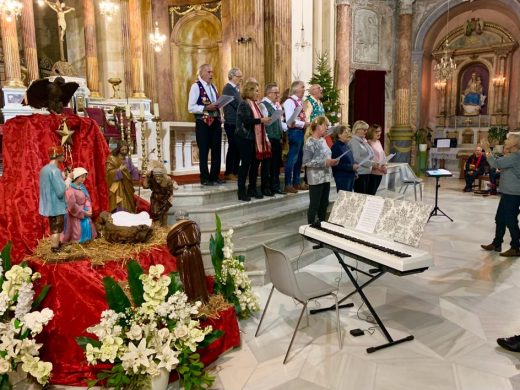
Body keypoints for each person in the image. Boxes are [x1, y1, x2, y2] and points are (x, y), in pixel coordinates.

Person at [480, 133, 520, 257]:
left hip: (513, 194)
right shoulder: (513, 156)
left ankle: (516, 247)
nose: (505, 140)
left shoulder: (515, 156)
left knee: (511, 221)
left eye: (508, 139)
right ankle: (497, 243)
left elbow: (495, 163)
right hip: (508, 193)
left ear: (516, 143)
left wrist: (487, 149)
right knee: (500, 219)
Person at [235, 80, 271, 201]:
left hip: (254, 139)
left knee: (255, 164)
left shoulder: (256, 104)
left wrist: (263, 120)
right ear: (249, 91)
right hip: (244, 138)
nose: (258, 93)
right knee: (245, 164)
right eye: (256, 91)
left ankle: (252, 188)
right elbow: (246, 121)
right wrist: (261, 120)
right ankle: (241, 191)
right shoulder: (244, 104)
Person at [188, 63, 223, 186]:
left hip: (216, 123)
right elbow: (191, 107)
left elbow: (217, 104)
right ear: (201, 73)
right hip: (203, 123)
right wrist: (206, 107)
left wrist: (221, 115)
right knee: (203, 151)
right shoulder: (196, 87)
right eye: (209, 72)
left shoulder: (214, 87)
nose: (211, 74)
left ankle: (215, 176)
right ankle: (204, 177)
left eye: (212, 72)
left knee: (216, 150)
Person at [302, 116, 338, 224]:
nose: (328, 127)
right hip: (315, 177)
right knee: (314, 205)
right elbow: (306, 162)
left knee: (324, 203)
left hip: (326, 176)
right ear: (318, 126)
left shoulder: (322, 140)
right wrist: (325, 162)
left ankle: (322, 225)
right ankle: (310, 227)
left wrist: (332, 161)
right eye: (326, 125)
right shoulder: (310, 142)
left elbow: (326, 156)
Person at [39, 145, 73, 252]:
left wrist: (62, 175)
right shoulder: (55, 171)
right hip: (56, 205)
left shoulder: (45, 169)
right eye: (62, 155)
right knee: (57, 228)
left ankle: (56, 244)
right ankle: (55, 248)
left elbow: (52, 181)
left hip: (48, 204)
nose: (64, 157)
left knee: (53, 226)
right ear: (58, 156)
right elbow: (60, 191)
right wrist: (69, 179)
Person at [259, 82, 287, 195]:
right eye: (275, 92)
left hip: (277, 137)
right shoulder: (263, 104)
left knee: (276, 164)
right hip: (269, 137)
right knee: (267, 164)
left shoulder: (276, 105)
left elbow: (279, 122)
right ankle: (266, 187)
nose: (278, 95)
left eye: (278, 92)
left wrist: (286, 127)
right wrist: (265, 138)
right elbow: (263, 123)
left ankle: (275, 186)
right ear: (268, 93)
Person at [283, 81, 310, 193]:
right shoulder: (290, 101)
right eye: (302, 87)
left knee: (299, 158)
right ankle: (288, 184)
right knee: (292, 158)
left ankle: (297, 182)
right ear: (295, 89)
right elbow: (290, 120)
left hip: (300, 132)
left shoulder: (299, 102)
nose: (304, 89)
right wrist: (304, 124)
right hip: (294, 132)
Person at [61, 167, 97, 244]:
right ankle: (77, 241)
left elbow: (87, 198)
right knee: (77, 230)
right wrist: (83, 212)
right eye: (82, 177)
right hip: (75, 215)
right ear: (76, 177)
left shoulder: (82, 187)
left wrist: (88, 208)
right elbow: (72, 205)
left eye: (85, 177)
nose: (84, 179)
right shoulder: (69, 189)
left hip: (84, 211)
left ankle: (87, 240)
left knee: (88, 224)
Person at [106, 140, 140, 213]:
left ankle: (128, 215)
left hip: (127, 186)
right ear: (118, 149)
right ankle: (119, 215)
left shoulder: (128, 160)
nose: (124, 151)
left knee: (128, 202)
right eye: (122, 150)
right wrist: (118, 170)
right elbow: (108, 172)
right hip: (118, 186)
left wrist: (138, 172)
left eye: (126, 149)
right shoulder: (112, 159)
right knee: (120, 201)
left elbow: (133, 170)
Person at [222, 67, 243, 181]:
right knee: (233, 147)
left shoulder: (236, 89)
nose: (240, 79)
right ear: (232, 76)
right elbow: (237, 103)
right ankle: (229, 172)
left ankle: (235, 171)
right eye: (239, 76)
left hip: (237, 122)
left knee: (238, 147)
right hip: (231, 122)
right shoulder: (229, 88)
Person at [349, 120, 377, 194]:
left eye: (366, 129)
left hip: (367, 172)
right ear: (357, 130)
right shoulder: (354, 141)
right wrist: (371, 164)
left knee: (366, 196)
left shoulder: (363, 140)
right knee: (361, 196)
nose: (366, 131)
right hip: (360, 173)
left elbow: (371, 154)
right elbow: (356, 158)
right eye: (364, 129)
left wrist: (374, 163)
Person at [331, 125, 358, 192]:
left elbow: (350, 160)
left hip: (350, 176)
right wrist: (351, 167)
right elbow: (336, 165)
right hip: (342, 178)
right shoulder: (336, 147)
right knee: (343, 200)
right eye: (345, 132)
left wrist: (355, 172)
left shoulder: (346, 146)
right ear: (339, 135)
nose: (348, 134)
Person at [367, 124, 387, 195]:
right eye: (376, 131)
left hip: (380, 171)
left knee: (374, 193)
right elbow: (369, 158)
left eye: (380, 131)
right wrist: (378, 167)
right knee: (370, 193)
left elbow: (383, 155)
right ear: (371, 132)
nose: (379, 133)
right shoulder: (368, 142)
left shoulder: (378, 142)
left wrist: (384, 165)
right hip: (373, 171)